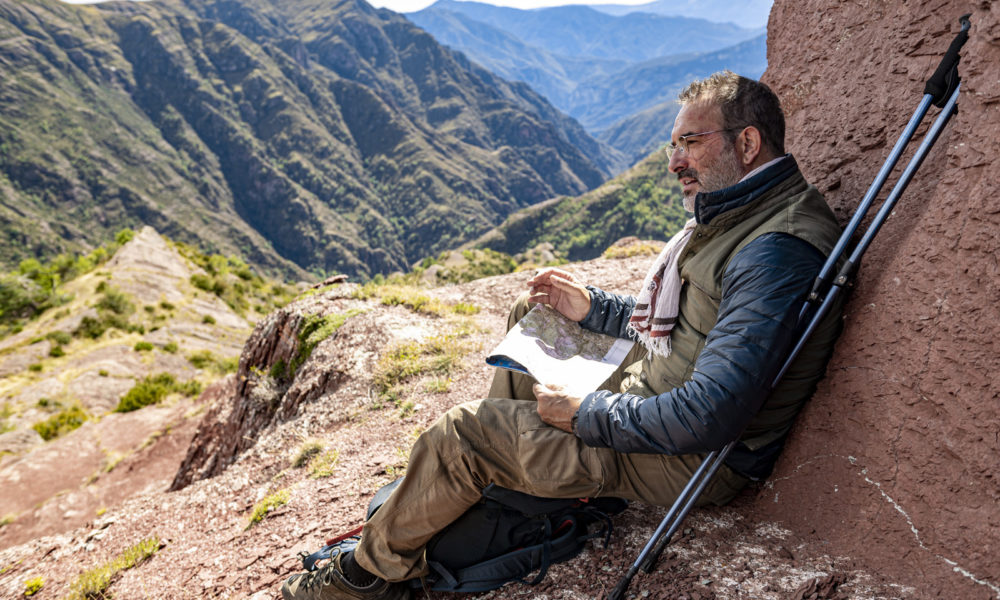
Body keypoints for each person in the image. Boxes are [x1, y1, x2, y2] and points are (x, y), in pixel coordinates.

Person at [281, 70, 844, 600]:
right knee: (538, 316)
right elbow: (687, 323)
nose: (674, 162)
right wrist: (593, 307)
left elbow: (709, 416)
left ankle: (363, 578)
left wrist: (582, 413)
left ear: (747, 144)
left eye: (690, 143)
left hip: (694, 457)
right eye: (673, 146)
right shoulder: (746, 211)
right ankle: (517, 487)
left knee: (462, 435)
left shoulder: (773, 251)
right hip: (659, 391)